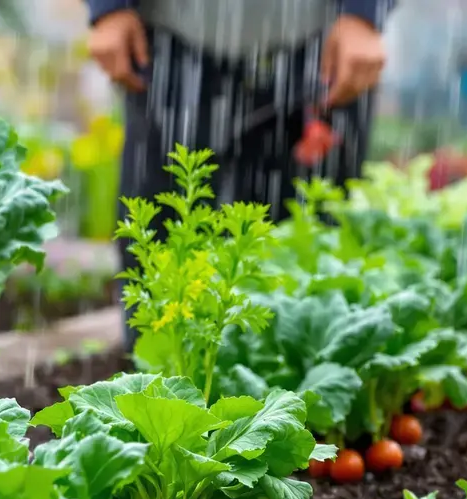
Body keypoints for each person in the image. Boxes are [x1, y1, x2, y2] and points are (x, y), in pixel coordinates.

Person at [84, 0, 395, 350]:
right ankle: (158, 386)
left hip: (323, 43)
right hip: (172, 36)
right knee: (158, 257)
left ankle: (282, 394)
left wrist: (365, 14)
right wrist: (107, 8)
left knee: (307, 261)